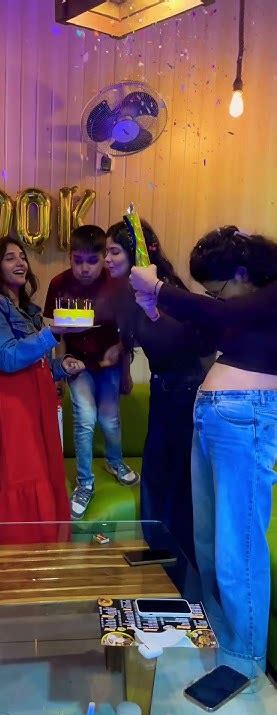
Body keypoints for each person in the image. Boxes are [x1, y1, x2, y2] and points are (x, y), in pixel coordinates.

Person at [130, 225, 277, 677]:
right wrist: (154, 310)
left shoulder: (268, 297)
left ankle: (244, 664)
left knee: (238, 547)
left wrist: (160, 289)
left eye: (218, 290)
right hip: (216, 418)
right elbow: (199, 336)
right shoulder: (241, 309)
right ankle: (221, 643)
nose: (216, 299)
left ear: (242, 272)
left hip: (247, 419)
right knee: (208, 542)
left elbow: (224, 315)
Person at [0, 237, 84, 546]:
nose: (20, 262)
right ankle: (17, 560)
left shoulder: (29, 310)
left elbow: (33, 365)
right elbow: (6, 358)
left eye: (22, 256)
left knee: (40, 476)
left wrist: (61, 367)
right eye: (9, 258)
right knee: (22, 478)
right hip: (10, 408)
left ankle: (40, 559)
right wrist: (51, 334)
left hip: (34, 407)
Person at [106, 220, 209, 562]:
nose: (107, 259)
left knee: (176, 478)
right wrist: (121, 356)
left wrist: (152, 313)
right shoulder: (128, 292)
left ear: (138, 252)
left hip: (185, 390)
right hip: (163, 387)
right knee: (157, 474)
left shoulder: (166, 290)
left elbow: (190, 343)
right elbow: (132, 338)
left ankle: (181, 563)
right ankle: (162, 555)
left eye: (114, 251)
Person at [44, 225, 139, 521]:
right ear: (70, 257)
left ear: (103, 257)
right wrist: (58, 369)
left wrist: (125, 371)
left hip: (109, 365)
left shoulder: (118, 285)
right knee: (84, 418)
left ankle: (114, 461)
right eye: (78, 261)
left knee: (109, 419)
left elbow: (128, 333)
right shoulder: (59, 283)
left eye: (92, 261)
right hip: (77, 364)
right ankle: (85, 483)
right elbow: (55, 332)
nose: (84, 268)